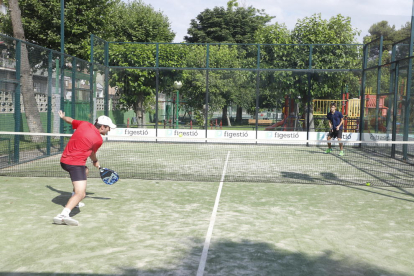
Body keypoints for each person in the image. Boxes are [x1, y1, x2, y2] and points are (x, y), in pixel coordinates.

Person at [53, 111, 116, 226]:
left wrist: (62, 117)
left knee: (85, 171)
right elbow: (92, 153)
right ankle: (63, 215)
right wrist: (95, 161)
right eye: (108, 128)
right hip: (75, 164)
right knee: (81, 194)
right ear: (102, 127)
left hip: (64, 161)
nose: (109, 130)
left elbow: (69, 119)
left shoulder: (84, 124)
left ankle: (74, 201)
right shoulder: (98, 139)